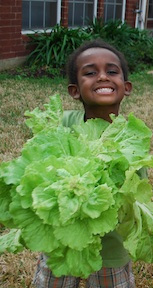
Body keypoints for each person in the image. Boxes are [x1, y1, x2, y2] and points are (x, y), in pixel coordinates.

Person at [32, 39, 135, 287]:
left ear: (126, 86)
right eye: (90, 72)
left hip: (110, 249)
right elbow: (36, 170)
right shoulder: (62, 125)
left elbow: (131, 197)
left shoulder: (132, 138)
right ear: (74, 90)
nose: (102, 77)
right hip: (61, 242)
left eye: (112, 71)